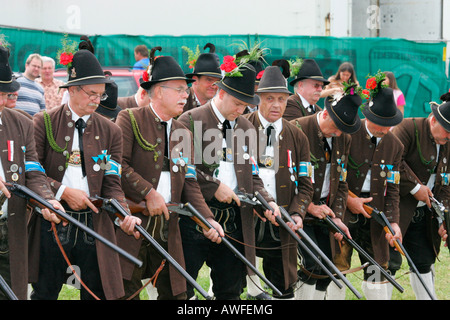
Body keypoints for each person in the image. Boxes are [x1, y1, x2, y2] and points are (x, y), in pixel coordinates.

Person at [29, 48, 140, 300]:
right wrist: (63, 193)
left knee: (95, 292)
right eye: (92, 94)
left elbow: (112, 182)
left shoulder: (111, 131)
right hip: (54, 222)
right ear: (72, 89)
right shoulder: (43, 122)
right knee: (45, 291)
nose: (98, 100)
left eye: (101, 95)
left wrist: (124, 213)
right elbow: (32, 173)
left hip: (94, 223)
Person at [114, 49, 223, 300]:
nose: (186, 95)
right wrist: (148, 193)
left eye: (186, 90)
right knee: (125, 292)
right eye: (180, 89)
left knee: (175, 294)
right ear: (160, 91)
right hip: (132, 225)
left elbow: (190, 182)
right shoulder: (129, 118)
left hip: (168, 229)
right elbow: (119, 165)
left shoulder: (184, 129)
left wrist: (207, 218)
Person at [178, 58, 280, 300]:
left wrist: (267, 200)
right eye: (237, 103)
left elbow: (252, 173)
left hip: (235, 218)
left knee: (230, 290)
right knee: (182, 289)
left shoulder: (246, 126)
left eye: (246, 105)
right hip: (195, 216)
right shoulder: (189, 120)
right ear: (220, 92)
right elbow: (182, 168)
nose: (241, 110)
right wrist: (214, 187)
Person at [244, 60, 313, 300]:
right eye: (269, 98)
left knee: (283, 286)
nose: (276, 105)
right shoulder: (241, 129)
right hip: (247, 218)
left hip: (282, 218)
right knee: (241, 285)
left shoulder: (297, 135)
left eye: (281, 99)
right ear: (258, 98)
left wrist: (297, 214)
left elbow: (306, 184)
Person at [329, 80, 404, 300]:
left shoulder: (395, 145)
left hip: (375, 216)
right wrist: (350, 200)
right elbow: (335, 174)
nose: (386, 129)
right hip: (344, 210)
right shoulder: (348, 133)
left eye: (390, 123)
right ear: (368, 116)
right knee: (337, 269)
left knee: (376, 273)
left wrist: (394, 223)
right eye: (381, 122)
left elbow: (393, 189)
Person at [0, 45, 64, 300]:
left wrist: (46, 199)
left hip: (9, 228)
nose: (4, 102)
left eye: (5, 94)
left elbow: (34, 171)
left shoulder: (21, 123)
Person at [290, 80, 361, 300]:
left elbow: (341, 183)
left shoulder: (344, 138)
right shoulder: (296, 128)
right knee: (311, 262)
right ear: (326, 114)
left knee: (327, 267)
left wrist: (338, 217)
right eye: (337, 128)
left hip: (326, 211)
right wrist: (308, 206)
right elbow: (284, 176)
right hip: (299, 208)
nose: (339, 134)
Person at [389, 92, 450, 300]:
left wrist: (444, 219)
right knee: (388, 263)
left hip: (426, 214)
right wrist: (416, 188)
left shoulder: (449, 141)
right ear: (433, 119)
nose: (449, 136)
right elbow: (392, 160)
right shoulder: (407, 127)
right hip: (395, 209)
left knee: (424, 262)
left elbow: (447, 182)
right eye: (447, 130)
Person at [183, 43, 222, 113]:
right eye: (209, 80)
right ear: (195, 80)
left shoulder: (217, 106)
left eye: (217, 82)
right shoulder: (181, 101)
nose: (214, 86)